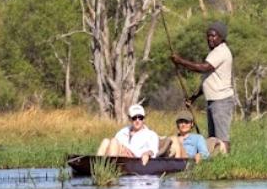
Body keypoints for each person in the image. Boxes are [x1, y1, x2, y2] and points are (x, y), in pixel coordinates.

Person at [171, 21, 234, 154]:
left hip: (221, 100)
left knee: (222, 138)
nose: (210, 38)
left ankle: (226, 162)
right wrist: (194, 97)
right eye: (208, 36)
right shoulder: (214, 52)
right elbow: (208, 79)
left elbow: (203, 68)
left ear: (221, 37)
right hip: (213, 100)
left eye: (214, 36)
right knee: (212, 138)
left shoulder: (221, 51)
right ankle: (214, 162)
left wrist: (180, 61)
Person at [96, 104, 161, 164]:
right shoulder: (123, 132)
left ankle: (110, 169)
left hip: (135, 160)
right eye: (134, 118)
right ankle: (96, 166)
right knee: (106, 141)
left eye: (140, 117)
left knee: (114, 142)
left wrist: (147, 154)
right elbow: (114, 146)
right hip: (120, 157)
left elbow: (153, 151)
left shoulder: (151, 135)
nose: (137, 120)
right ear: (130, 119)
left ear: (144, 119)